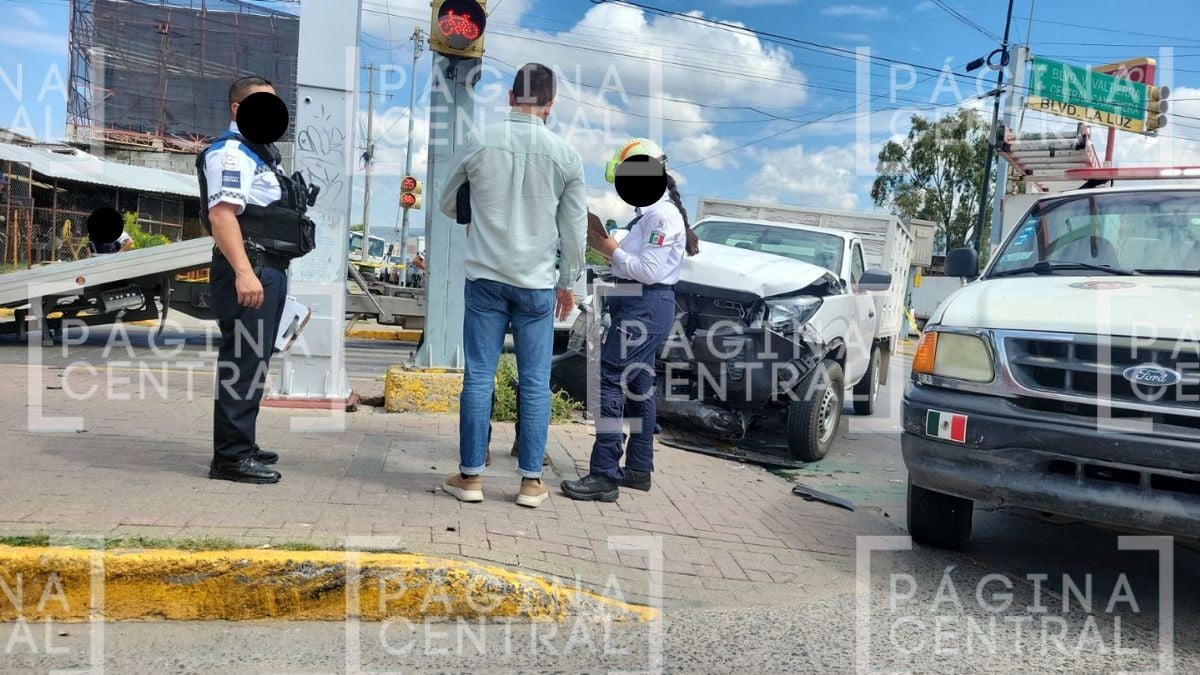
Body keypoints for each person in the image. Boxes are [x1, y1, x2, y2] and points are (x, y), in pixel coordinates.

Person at [438, 63, 587, 508]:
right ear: (551, 104)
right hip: (537, 286)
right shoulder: (566, 155)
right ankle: (530, 483)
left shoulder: (479, 140)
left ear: (508, 96)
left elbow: (449, 201)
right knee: (536, 382)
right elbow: (574, 231)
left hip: (485, 278)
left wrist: (478, 218)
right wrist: (566, 282)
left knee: (479, 376)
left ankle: (470, 478)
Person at [561, 139, 699, 502]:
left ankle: (604, 474)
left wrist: (609, 249)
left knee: (608, 378)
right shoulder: (650, 215)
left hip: (646, 305)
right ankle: (638, 468)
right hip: (640, 305)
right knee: (638, 385)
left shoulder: (661, 217)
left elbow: (649, 271)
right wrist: (613, 251)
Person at [199, 76, 294, 484]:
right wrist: (244, 272)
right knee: (242, 362)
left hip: (265, 269)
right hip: (250, 268)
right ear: (238, 109)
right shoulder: (231, 154)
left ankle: (243, 443)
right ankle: (231, 459)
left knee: (255, 363)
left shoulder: (260, 154)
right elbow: (221, 215)